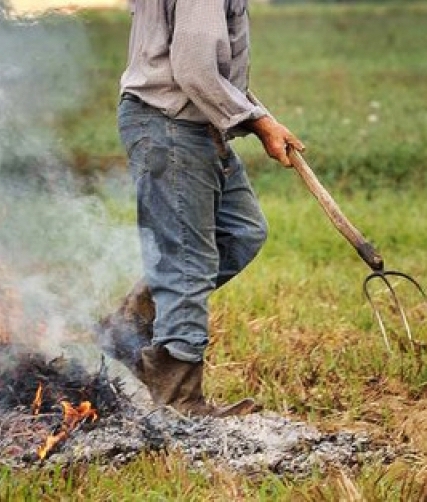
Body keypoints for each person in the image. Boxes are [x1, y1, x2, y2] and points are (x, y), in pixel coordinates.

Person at [98, 0, 304, 417]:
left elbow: (205, 62)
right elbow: (194, 69)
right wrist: (260, 124)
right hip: (171, 122)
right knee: (187, 263)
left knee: (242, 231)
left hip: (195, 123)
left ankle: (128, 328)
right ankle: (178, 399)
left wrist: (257, 115)